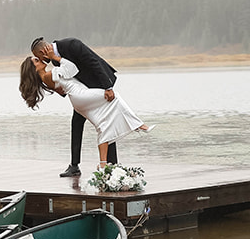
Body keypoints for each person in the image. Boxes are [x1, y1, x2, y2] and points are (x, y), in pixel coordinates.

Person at [19, 50, 152, 174]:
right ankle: (138, 125)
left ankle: (103, 164)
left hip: (78, 101)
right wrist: (55, 57)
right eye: (36, 60)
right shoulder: (48, 75)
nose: (40, 60)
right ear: (34, 69)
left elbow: (62, 88)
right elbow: (72, 68)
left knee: (103, 125)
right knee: (113, 97)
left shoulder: (47, 78)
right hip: (80, 95)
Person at [30, 36, 120, 177]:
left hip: (100, 85)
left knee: (105, 122)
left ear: (42, 51)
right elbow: (67, 77)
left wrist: (108, 87)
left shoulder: (72, 44)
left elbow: (94, 62)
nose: (41, 60)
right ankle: (76, 166)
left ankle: (110, 164)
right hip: (83, 93)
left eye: (38, 57)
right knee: (79, 123)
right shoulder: (54, 59)